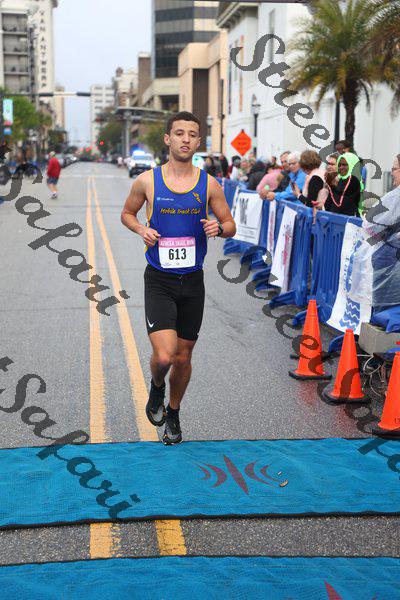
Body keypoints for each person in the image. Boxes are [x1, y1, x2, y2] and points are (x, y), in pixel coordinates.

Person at [121, 111, 236, 445]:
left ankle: (173, 412)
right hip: (159, 279)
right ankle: (157, 387)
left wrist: (218, 227)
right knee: (164, 356)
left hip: (193, 282)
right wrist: (141, 229)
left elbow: (230, 224)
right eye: (180, 133)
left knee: (183, 358)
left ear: (198, 142)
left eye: (192, 134)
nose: (186, 139)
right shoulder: (147, 181)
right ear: (167, 139)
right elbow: (127, 213)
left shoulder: (209, 184)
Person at [323, 152, 363, 216]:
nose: (329, 166)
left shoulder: (352, 182)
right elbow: (328, 204)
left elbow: (344, 204)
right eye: (328, 164)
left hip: (344, 218)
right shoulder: (329, 180)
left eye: (332, 164)